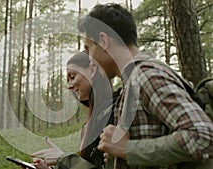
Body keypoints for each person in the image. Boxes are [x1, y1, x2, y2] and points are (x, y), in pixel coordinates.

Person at [78, 3, 213, 169]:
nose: (89, 59)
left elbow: (203, 136)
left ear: (104, 40)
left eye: (88, 48)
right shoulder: (133, 81)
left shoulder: (145, 76)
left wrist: (128, 150)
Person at [31, 51, 120, 169]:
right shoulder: (89, 124)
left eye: (72, 77)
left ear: (92, 70)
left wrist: (63, 158)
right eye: (68, 80)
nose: (69, 86)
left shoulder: (116, 112)